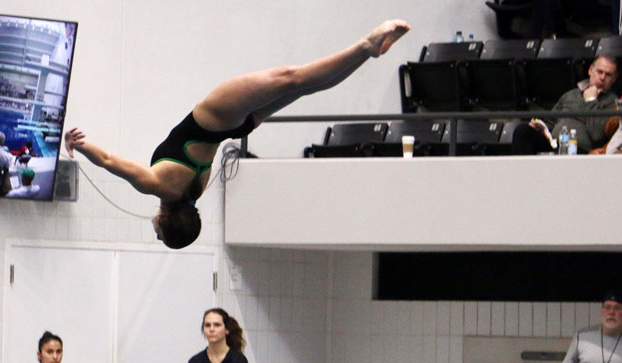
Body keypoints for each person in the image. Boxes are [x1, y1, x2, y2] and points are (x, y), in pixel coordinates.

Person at [64, 20, 410, 249]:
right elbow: (109, 161)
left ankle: (368, 54)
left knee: (305, 88)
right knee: (292, 77)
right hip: (216, 117)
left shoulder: (194, 192)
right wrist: (80, 145)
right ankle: (366, 45)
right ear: (164, 220)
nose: (153, 229)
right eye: (158, 232)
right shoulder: (157, 185)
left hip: (239, 126)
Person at [512, 55, 619, 155]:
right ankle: (520, 174)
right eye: (599, 72)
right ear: (590, 70)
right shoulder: (571, 95)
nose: (602, 78)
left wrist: (591, 100)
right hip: (555, 144)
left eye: (608, 74)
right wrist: (541, 127)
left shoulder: (613, 102)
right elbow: (550, 122)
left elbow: (597, 134)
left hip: (582, 151)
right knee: (523, 131)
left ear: (614, 79)